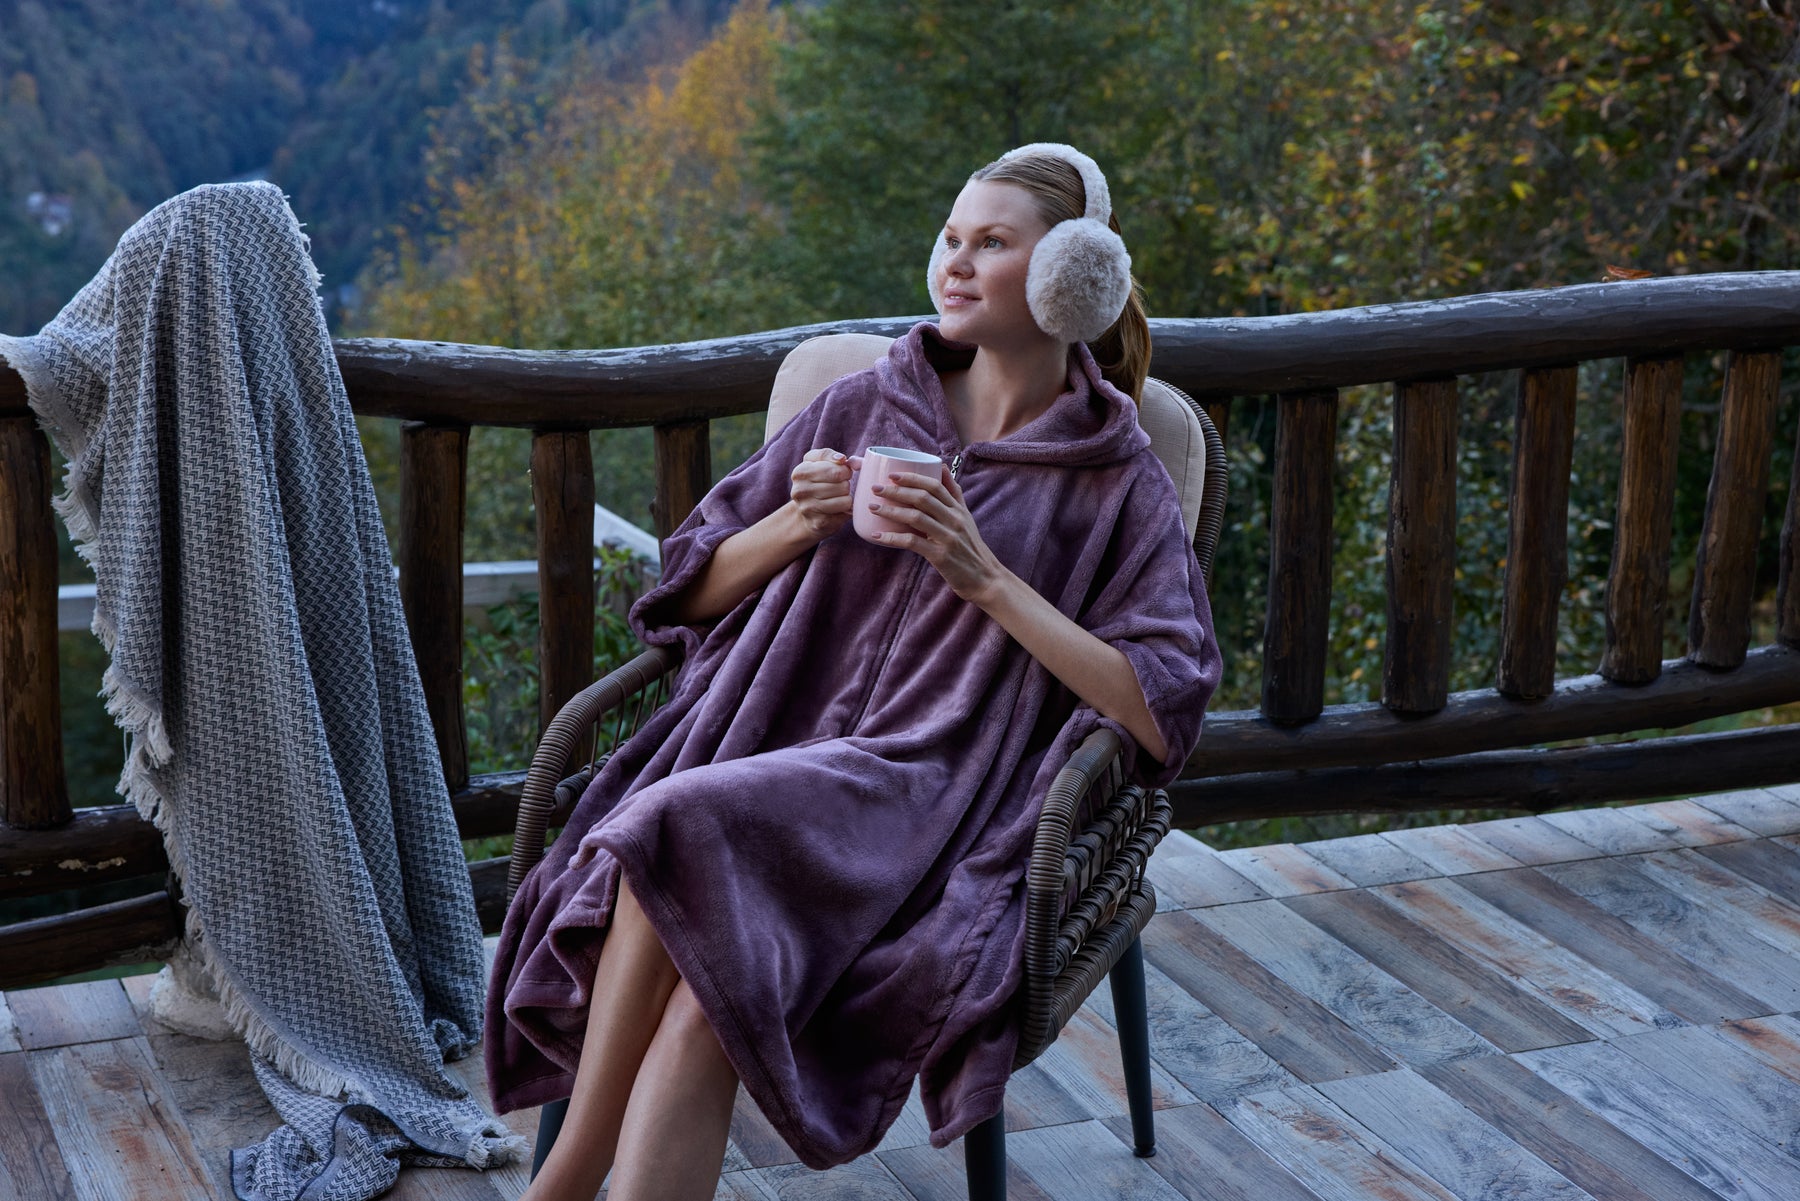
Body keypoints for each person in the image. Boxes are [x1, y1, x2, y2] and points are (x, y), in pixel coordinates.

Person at [484, 143, 1221, 1201]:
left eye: (992, 243)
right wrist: (797, 520)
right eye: (951, 237)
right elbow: (685, 592)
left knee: (667, 828)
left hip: (934, 798)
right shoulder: (870, 402)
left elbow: (1161, 707)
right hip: (772, 747)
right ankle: (570, 1180)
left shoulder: (1115, 477)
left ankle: (562, 1181)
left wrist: (986, 577)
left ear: (1073, 276)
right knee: (699, 995)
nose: (956, 262)